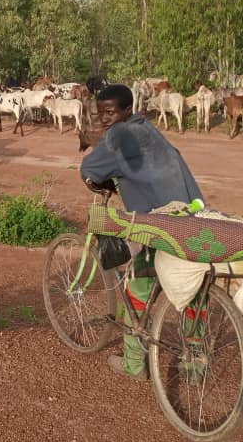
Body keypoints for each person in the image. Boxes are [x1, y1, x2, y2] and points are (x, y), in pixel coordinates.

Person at [79, 83, 203, 380]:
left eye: (111, 112)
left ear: (127, 109)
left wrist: (97, 181)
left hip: (158, 223)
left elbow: (89, 169)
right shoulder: (148, 128)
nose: (106, 118)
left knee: (136, 285)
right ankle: (196, 363)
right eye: (101, 114)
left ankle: (134, 364)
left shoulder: (119, 134)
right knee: (192, 290)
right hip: (192, 217)